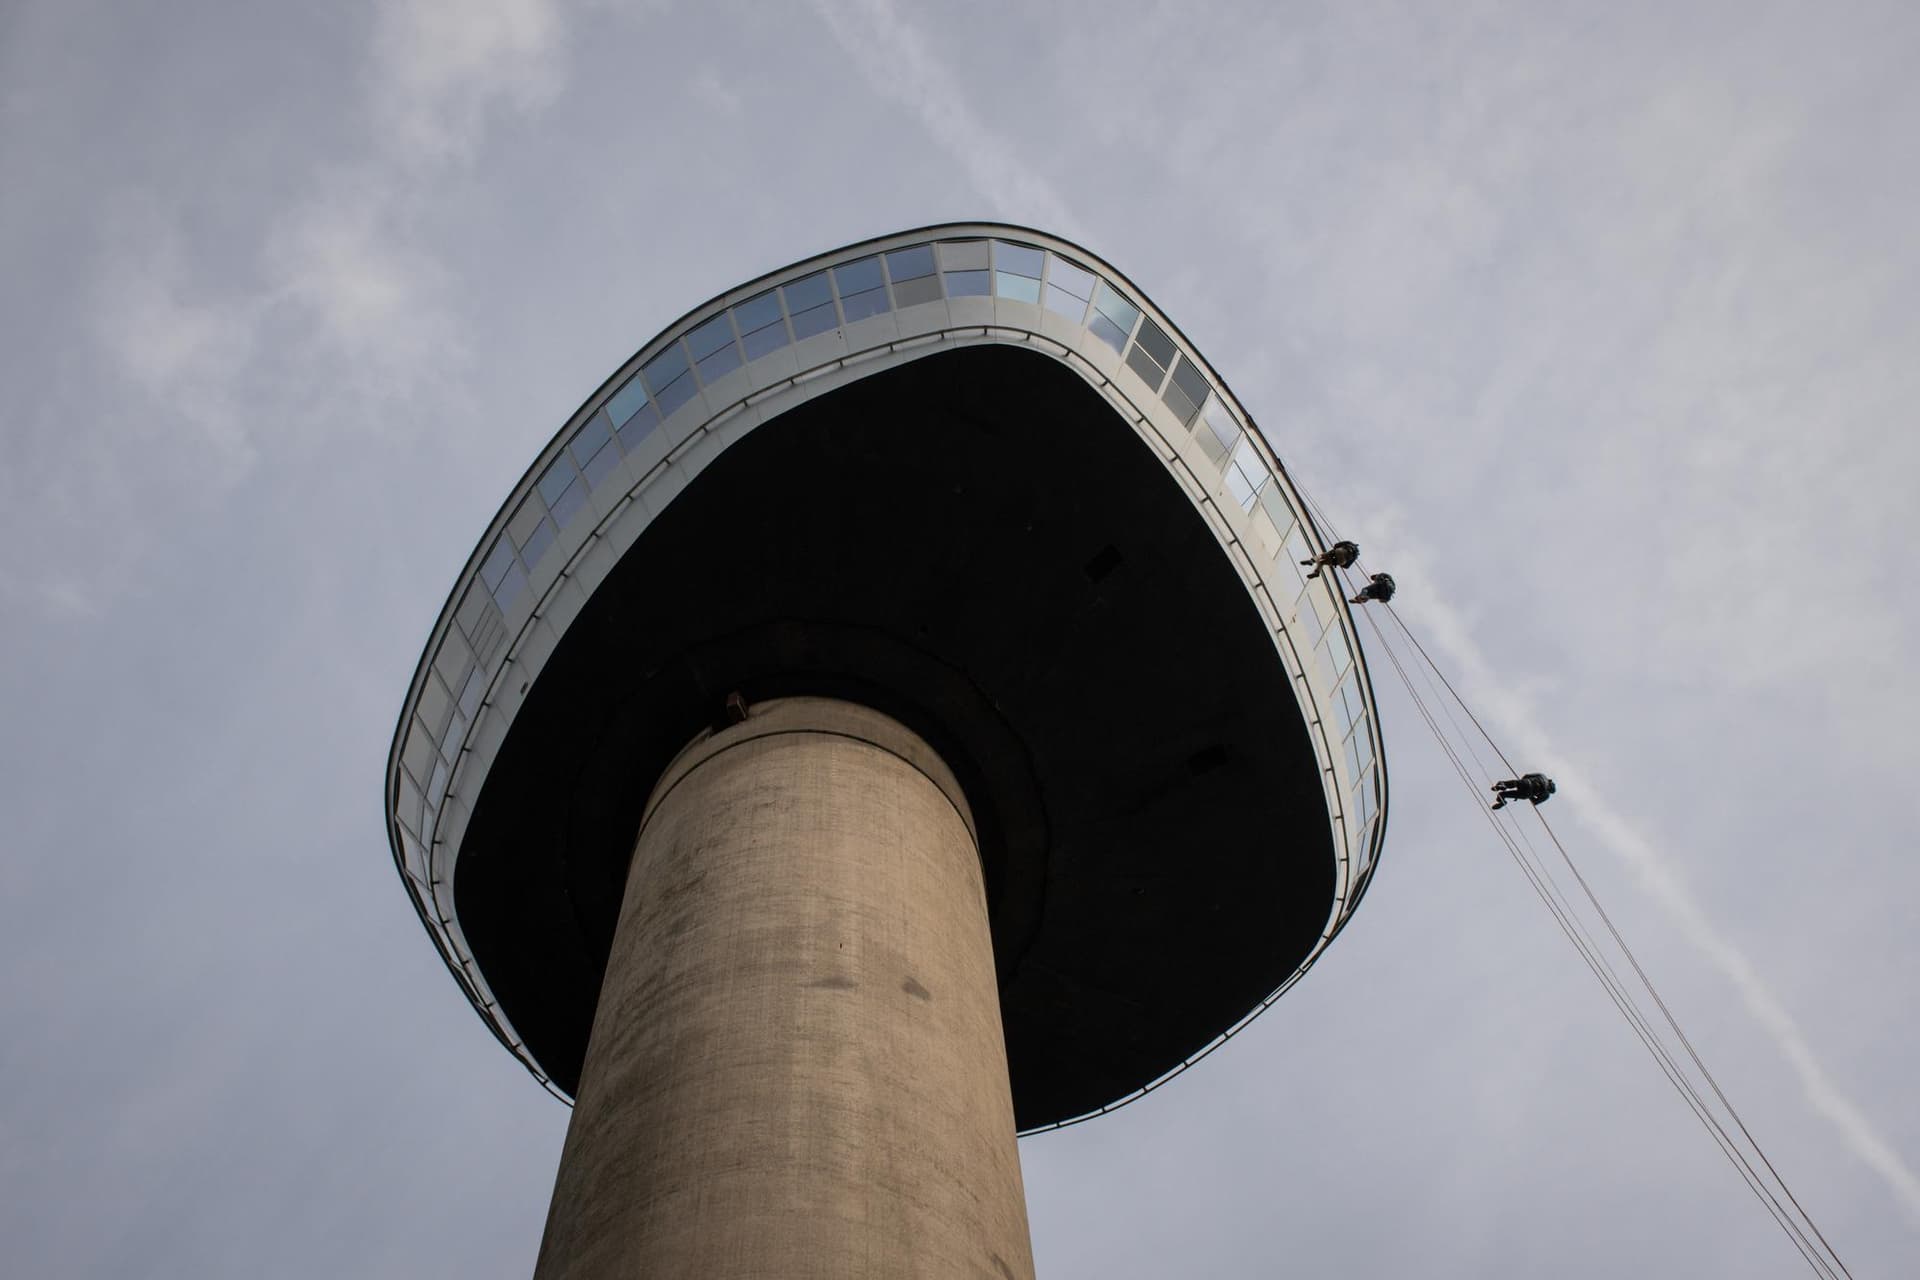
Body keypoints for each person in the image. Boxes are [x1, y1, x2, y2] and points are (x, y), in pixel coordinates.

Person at [1491, 773, 1556, 810]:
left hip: (1526, 783)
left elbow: (1526, 776)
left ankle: (1503, 786)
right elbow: (1534, 802)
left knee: (1504, 783)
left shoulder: (1542, 776)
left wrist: (1520, 783)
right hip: (1526, 794)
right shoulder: (1546, 795)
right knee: (1503, 794)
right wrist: (1531, 795)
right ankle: (1503, 802)